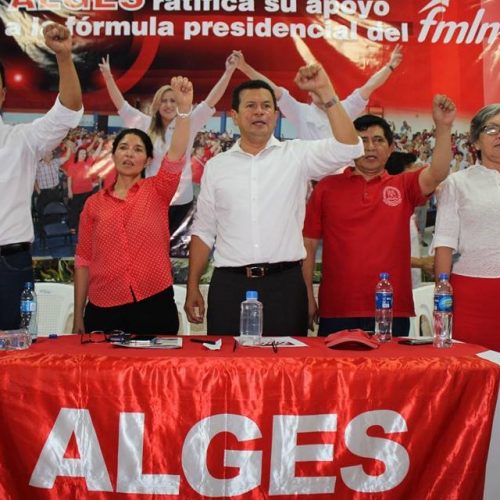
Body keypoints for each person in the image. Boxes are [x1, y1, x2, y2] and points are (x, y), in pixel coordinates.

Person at [185, 64, 364, 336]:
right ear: (234, 116)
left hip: (285, 287)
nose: (260, 111)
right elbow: (204, 230)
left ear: (275, 115)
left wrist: (325, 91)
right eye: (251, 106)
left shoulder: (296, 155)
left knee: (287, 363)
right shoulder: (217, 167)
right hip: (230, 287)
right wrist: (192, 285)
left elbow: (350, 147)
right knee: (228, 362)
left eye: (266, 106)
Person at [302, 95, 456, 336]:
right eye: (361, 140)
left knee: (393, 363)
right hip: (338, 308)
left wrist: (444, 127)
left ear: (391, 148)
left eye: (378, 140)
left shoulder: (404, 185)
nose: (370, 147)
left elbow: (438, 172)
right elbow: (308, 245)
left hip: (391, 308)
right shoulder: (326, 187)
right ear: (350, 146)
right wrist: (307, 296)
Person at [72, 77, 193, 336]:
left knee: (158, 364)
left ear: (148, 160)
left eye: (138, 149)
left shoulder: (158, 190)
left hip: (154, 301)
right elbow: (83, 260)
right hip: (104, 306)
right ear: (113, 155)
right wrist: (78, 314)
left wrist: (184, 110)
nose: (129, 154)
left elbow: (176, 153)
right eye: (123, 148)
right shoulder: (94, 205)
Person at [99, 53, 239, 235]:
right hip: (152, 199)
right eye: (163, 101)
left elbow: (210, 101)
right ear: (157, 104)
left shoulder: (189, 122)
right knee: (151, 245)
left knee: (177, 251)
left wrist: (228, 72)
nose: (168, 105)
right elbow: (121, 105)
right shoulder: (145, 124)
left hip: (182, 201)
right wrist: (108, 77)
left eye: (173, 100)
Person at [0, 23, 83, 330]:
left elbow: (68, 111)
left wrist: (63, 56)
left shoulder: (22, 139)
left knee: (13, 349)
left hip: (8, 265)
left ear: (3, 93)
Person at [431, 104, 500, 351]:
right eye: (492, 129)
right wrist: (441, 298)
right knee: (473, 366)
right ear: (476, 141)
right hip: (472, 296)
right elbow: (444, 243)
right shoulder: (458, 183)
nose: (499, 135)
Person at [234, 45, 403, 138]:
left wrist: (390, 66)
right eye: (314, 89)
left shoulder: (345, 108)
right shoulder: (300, 112)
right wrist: (244, 67)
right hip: (309, 180)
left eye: (322, 87)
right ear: (309, 94)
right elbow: (273, 90)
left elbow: (369, 86)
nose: (319, 91)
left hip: (340, 178)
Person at [65, 138, 104, 232]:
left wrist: (101, 143)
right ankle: (73, 227)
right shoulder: (72, 165)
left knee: (86, 210)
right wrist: (69, 191)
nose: (83, 155)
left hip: (87, 191)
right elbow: (69, 179)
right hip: (76, 192)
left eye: (84, 153)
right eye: (81, 153)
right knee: (74, 210)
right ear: (77, 154)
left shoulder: (88, 162)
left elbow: (95, 154)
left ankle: (86, 227)